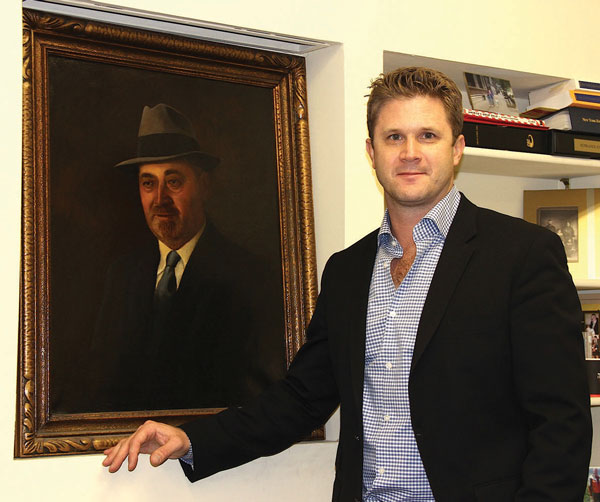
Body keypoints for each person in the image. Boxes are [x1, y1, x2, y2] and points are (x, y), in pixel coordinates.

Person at [102, 68, 592, 500]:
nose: (410, 153)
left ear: (457, 147)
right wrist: (193, 439)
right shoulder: (348, 270)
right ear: (371, 151)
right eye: (393, 137)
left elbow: (562, 426)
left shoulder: (522, 256)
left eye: (428, 135)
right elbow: (301, 397)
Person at [72, 103, 285, 412]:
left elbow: (251, 394)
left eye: (173, 181)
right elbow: (101, 383)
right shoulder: (122, 275)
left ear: (204, 186)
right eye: (148, 183)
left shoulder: (249, 276)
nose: (160, 199)